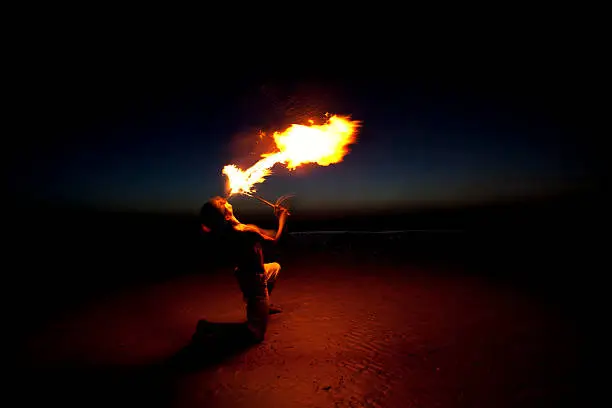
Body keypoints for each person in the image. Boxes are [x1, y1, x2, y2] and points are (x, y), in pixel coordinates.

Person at [198, 196, 289, 343]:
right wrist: (282, 219)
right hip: (255, 282)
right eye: (221, 204)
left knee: (275, 267)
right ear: (226, 216)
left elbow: (258, 233)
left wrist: (268, 224)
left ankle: (266, 306)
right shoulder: (244, 232)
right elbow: (275, 241)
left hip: (248, 275)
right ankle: (208, 327)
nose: (224, 200)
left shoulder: (234, 230)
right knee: (256, 334)